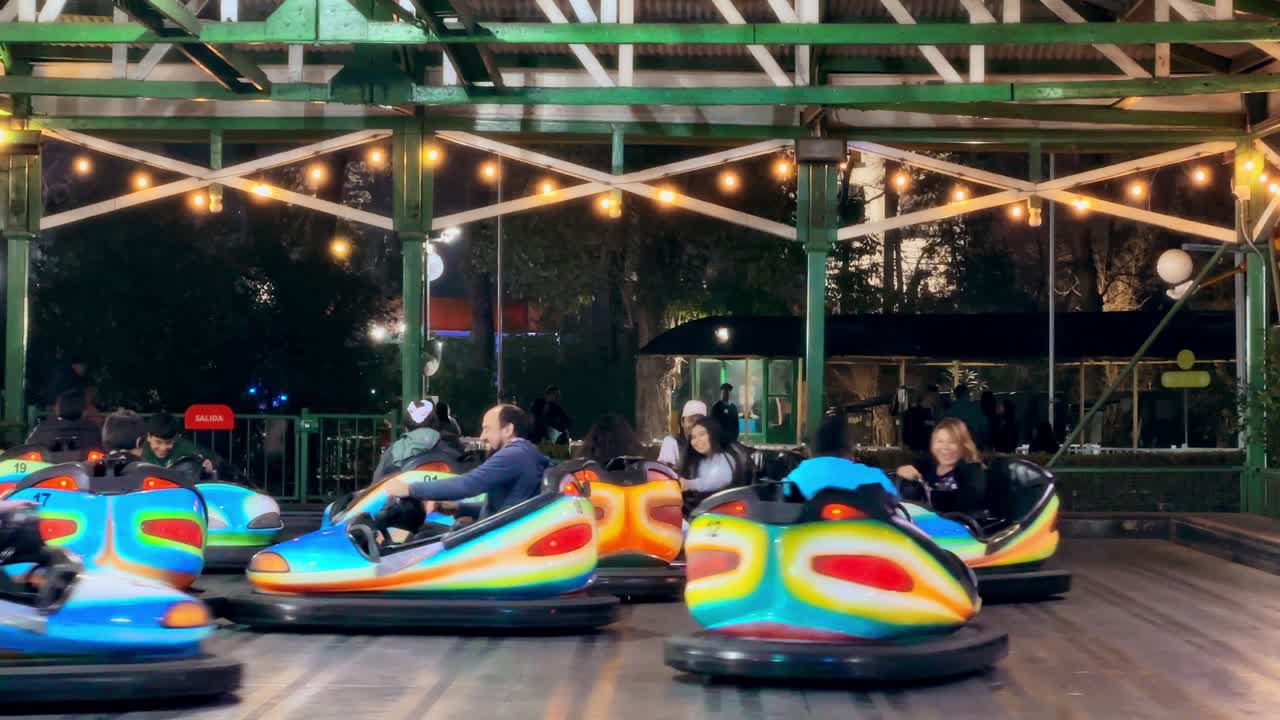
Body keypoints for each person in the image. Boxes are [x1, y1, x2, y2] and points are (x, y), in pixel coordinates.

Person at [383, 404, 549, 517]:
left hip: (498, 543)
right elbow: (503, 507)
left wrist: (409, 489)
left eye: (487, 429)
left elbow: (469, 484)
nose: (483, 437)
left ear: (508, 429)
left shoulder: (514, 455)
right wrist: (459, 508)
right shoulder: (526, 453)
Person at [785, 415, 898, 499]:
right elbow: (894, 505)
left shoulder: (793, 479)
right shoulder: (875, 478)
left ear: (811, 451)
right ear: (849, 448)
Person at [895, 418, 987, 517]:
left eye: (952, 442)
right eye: (940, 441)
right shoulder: (927, 466)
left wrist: (932, 495)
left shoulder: (973, 470)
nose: (945, 447)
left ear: (962, 445)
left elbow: (968, 502)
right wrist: (902, 472)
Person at [372, 400, 453, 485]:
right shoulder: (451, 450)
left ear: (406, 427)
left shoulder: (391, 453)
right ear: (435, 424)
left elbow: (375, 486)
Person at [678, 416, 740, 495]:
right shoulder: (700, 462)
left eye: (702, 434)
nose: (697, 440)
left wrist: (690, 484)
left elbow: (720, 480)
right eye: (693, 437)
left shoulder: (724, 458)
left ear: (713, 433)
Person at [25, 390, 101, 452]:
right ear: (84, 410)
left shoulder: (42, 429)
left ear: (59, 409)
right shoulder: (93, 430)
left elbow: (28, 448)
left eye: (57, 404)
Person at [139, 412, 216, 472]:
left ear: (175, 439)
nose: (163, 448)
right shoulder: (139, 449)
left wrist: (209, 465)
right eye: (158, 442)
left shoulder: (186, 448)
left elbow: (212, 460)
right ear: (149, 437)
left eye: (168, 442)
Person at [942, 384, 990, 451]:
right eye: (968, 393)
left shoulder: (947, 412)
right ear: (966, 394)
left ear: (956, 395)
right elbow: (984, 427)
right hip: (974, 446)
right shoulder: (975, 409)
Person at [658, 400, 706, 466]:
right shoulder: (671, 442)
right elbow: (664, 470)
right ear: (682, 422)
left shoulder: (708, 446)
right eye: (691, 420)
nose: (695, 425)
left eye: (699, 421)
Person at [901, 385, 938, 452]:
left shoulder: (936, 412)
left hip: (930, 451)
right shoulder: (912, 413)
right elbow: (907, 434)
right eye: (935, 396)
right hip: (918, 451)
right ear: (929, 396)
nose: (936, 398)